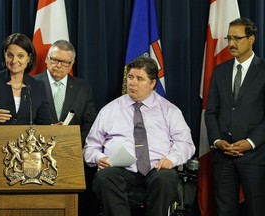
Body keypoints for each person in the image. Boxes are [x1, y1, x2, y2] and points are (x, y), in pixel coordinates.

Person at [83, 56, 195, 216]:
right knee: (104, 177)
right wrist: (98, 157)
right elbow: (90, 147)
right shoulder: (110, 110)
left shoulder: (169, 110)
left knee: (165, 179)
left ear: (153, 83)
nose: (132, 82)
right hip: (120, 169)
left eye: (139, 78)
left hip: (157, 168)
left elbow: (185, 143)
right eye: (130, 77)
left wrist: (172, 159)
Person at [205, 17, 265, 216]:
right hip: (223, 156)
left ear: (251, 39)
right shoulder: (220, 72)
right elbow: (211, 111)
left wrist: (250, 142)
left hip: (255, 157)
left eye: (237, 38)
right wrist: (216, 140)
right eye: (229, 38)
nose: (231, 43)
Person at [34, 39, 97, 216]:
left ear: (72, 64)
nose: (58, 65)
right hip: (38, 156)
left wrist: (73, 143)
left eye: (64, 62)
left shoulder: (83, 88)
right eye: (54, 59)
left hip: (73, 156)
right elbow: (26, 120)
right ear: (47, 59)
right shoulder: (31, 84)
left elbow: (89, 123)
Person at [0, 33, 51, 125]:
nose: (14, 60)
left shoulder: (38, 86)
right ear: (4, 55)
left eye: (20, 56)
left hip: (26, 139)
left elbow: (44, 122)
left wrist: (54, 128)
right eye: (10, 55)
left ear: (29, 58)